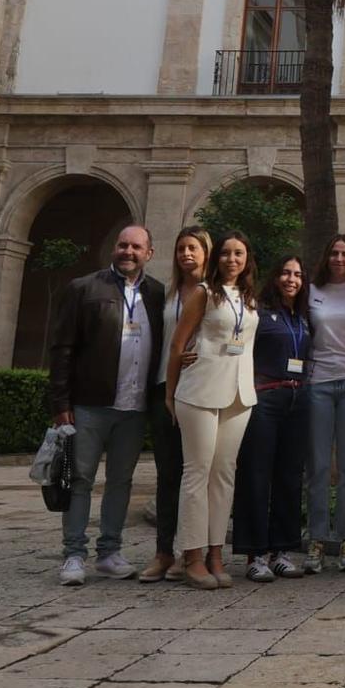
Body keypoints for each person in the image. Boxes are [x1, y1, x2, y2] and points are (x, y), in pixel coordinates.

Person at [48, 223, 167, 587]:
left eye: (136, 247)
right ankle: (73, 554)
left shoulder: (157, 293)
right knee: (79, 478)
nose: (127, 252)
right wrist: (60, 401)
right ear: (114, 249)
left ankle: (110, 552)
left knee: (121, 480)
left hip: (133, 406)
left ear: (149, 253)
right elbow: (63, 348)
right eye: (122, 245)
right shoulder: (84, 288)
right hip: (89, 404)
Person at [165, 233, 258, 590]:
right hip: (200, 391)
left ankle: (216, 554)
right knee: (197, 473)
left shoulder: (249, 298)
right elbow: (177, 343)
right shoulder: (204, 292)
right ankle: (191, 555)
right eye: (225, 253)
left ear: (247, 259)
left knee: (224, 475)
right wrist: (170, 395)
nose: (232, 259)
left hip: (239, 393)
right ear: (216, 258)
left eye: (239, 253)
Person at [232, 252, 312, 581]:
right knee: (256, 475)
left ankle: (281, 550)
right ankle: (255, 554)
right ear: (275, 277)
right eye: (285, 273)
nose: (291, 279)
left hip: (298, 399)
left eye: (297, 274)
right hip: (265, 400)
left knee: (289, 476)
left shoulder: (303, 318)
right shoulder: (258, 314)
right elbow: (237, 351)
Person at [138, 226, 209, 583]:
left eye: (193, 248)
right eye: (181, 248)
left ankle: (189, 551)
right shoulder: (163, 295)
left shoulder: (215, 295)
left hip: (201, 389)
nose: (186, 254)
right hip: (164, 388)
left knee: (197, 474)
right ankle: (164, 552)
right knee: (168, 474)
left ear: (205, 253)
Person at [306, 232, 345, 574]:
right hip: (318, 383)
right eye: (334, 253)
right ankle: (316, 539)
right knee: (317, 466)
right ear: (326, 257)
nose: (340, 259)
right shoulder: (312, 291)